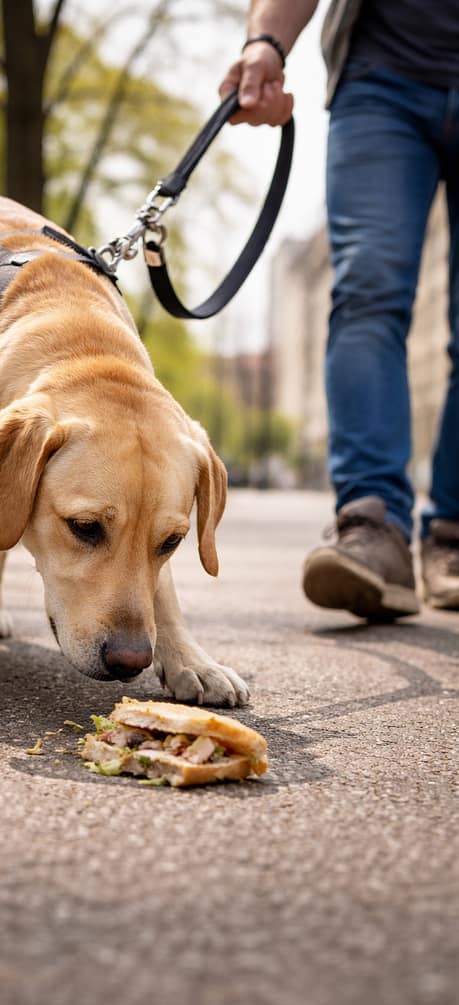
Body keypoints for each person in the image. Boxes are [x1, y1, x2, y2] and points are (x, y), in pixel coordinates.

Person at [220, 0, 459, 619]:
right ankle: (371, 523)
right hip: (383, 74)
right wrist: (267, 41)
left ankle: (453, 533)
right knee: (367, 291)